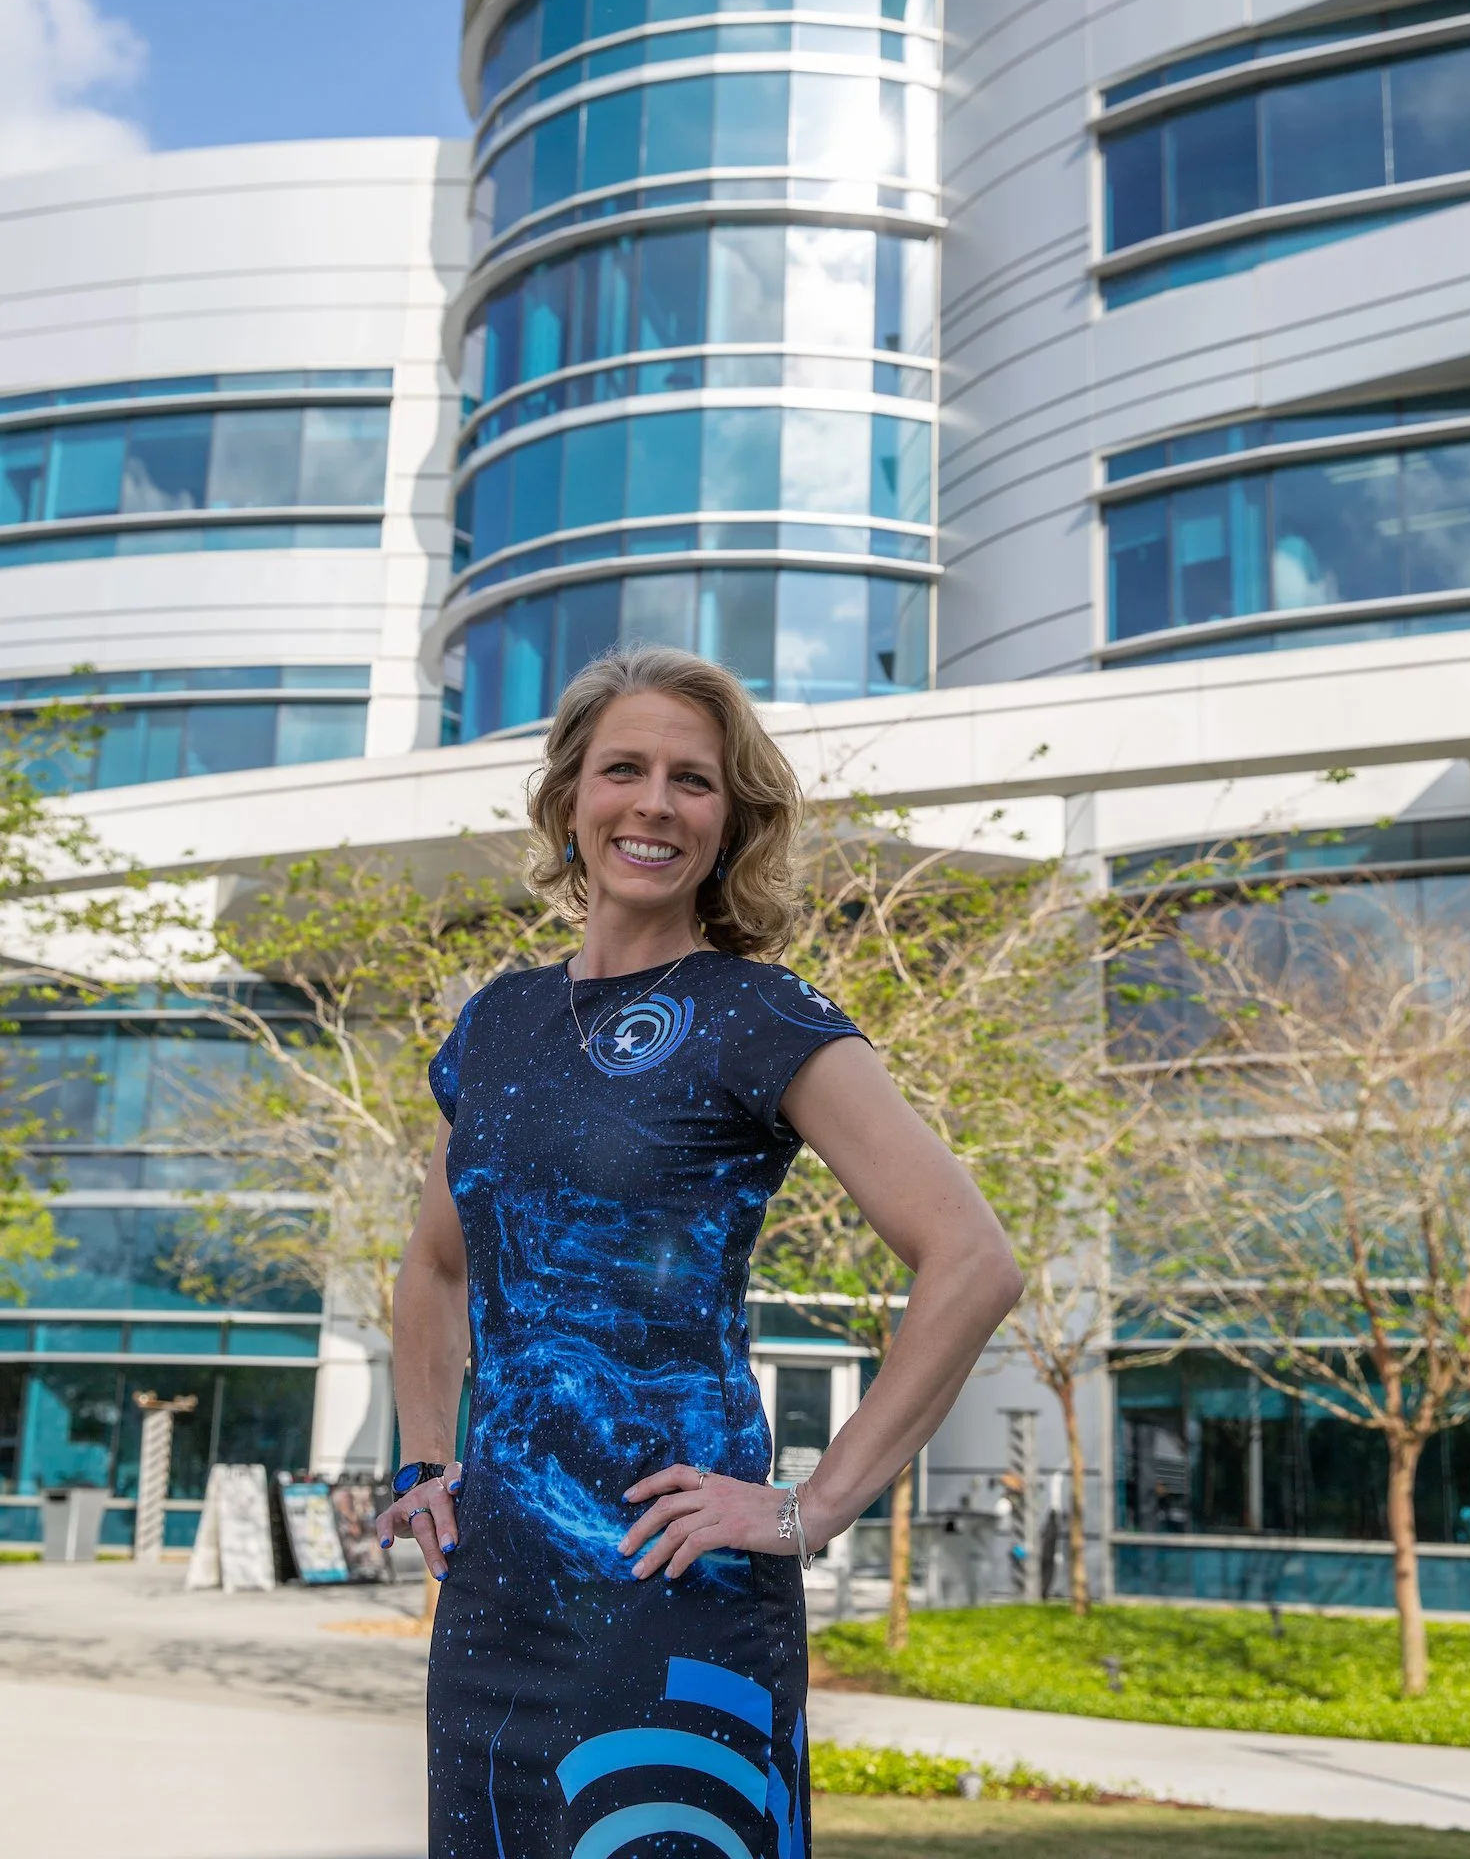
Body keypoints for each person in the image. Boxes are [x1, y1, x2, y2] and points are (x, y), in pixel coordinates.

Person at [377, 646, 1023, 1859]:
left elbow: (972, 1260)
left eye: (695, 781)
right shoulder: (496, 1023)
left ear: (730, 823)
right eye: (624, 769)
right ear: (571, 798)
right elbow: (437, 1269)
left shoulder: (756, 1013)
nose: (655, 804)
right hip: (493, 1596)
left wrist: (810, 1507)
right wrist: (425, 1460)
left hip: (672, 1588)